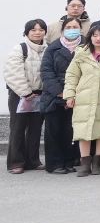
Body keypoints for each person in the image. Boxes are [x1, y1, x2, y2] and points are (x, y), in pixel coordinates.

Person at [62, 24, 100, 176]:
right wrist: (70, 95)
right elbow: (72, 75)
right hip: (84, 98)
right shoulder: (81, 53)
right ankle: (85, 164)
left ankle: (97, 162)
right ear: (90, 37)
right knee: (83, 130)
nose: (98, 38)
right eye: (95, 35)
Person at [39, 16, 81, 174]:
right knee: (54, 131)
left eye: (75, 27)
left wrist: (74, 92)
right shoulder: (53, 48)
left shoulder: (86, 46)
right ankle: (55, 164)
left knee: (70, 131)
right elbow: (46, 72)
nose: (72, 30)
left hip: (77, 95)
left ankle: (69, 161)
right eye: (68, 27)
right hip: (55, 96)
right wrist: (60, 92)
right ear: (62, 30)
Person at [5, 19, 48, 173]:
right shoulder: (20, 49)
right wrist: (26, 92)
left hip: (40, 95)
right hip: (20, 95)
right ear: (27, 32)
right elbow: (12, 73)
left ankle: (33, 161)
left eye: (41, 29)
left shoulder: (48, 49)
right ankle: (16, 162)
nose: (37, 32)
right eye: (33, 30)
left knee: (35, 129)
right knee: (18, 128)